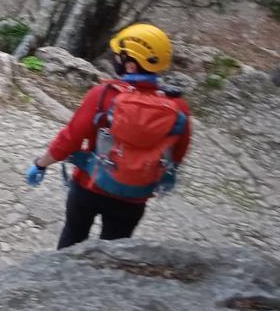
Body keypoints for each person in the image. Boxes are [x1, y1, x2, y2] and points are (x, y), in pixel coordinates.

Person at [26, 23, 192, 249]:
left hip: (89, 187)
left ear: (131, 65)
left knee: (73, 235)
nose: (115, 59)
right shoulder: (177, 107)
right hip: (134, 197)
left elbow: (71, 138)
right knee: (114, 251)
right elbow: (177, 154)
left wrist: (41, 163)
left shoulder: (105, 94)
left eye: (119, 56)